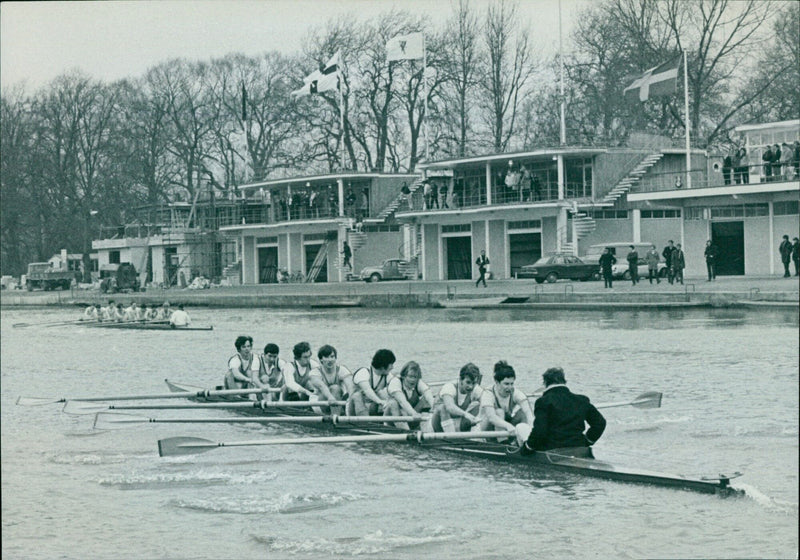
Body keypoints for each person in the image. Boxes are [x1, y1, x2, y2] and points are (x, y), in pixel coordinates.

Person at [521, 367, 606, 458]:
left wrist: (527, 448)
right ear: (564, 381)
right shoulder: (582, 400)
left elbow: (540, 431)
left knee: (521, 427)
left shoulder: (543, 402)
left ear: (545, 383)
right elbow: (600, 423)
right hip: (580, 449)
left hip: (552, 452)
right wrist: (587, 441)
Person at [477, 361, 534, 442]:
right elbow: (492, 418)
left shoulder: (516, 393)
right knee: (499, 412)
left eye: (512, 384)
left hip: (505, 428)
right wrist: (508, 426)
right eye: (506, 384)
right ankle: (503, 443)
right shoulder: (488, 393)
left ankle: (527, 441)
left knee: (523, 413)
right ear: (497, 382)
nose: (510, 387)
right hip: (486, 429)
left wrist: (533, 429)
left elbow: (529, 414)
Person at [430, 362, 484, 433]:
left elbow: (489, 401)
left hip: (454, 424)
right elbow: (450, 407)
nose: (471, 386)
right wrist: (466, 414)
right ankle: (452, 438)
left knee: (482, 406)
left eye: (473, 383)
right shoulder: (449, 387)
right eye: (468, 382)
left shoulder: (476, 389)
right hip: (435, 425)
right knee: (443, 408)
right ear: (461, 380)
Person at [384, 361, 437, 430]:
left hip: (410, 418)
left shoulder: (418, 382)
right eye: (410, 376)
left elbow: (428, 394)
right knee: (393, 403)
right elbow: (402, 402)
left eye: (415, 377)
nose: (413, 380)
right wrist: (414, 414)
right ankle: (405, 431)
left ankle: (426, 430)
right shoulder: (395, 382)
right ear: (403, 376)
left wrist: (435, 408)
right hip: (393, 421)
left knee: (426, 399)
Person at [348, 349, 396, 416]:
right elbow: (367, 390)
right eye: (391, 364)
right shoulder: (363, 372)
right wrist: (380, 401)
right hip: (354, 410)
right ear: (383, 366)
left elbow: (396, 389)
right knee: (357, 395)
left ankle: (377, 422)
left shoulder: (387, 376)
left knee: (384, 394)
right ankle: (365, 423)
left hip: (370, 408)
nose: (392, 367)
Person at [308, 344, 353, 414]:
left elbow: (350, 386)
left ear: (335, 358)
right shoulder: (314, 373)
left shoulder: (342, 370)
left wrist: (351, 397)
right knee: (335, 388)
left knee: (351, 394)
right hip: (318, 403)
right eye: (326, 357)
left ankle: (337, 415)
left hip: (337, 401)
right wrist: (330, 397)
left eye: (332, 357)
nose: (330, 360)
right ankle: (336, 419)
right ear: (321, 360)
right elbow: (321, 386)